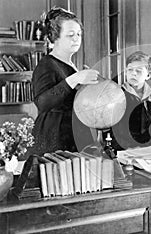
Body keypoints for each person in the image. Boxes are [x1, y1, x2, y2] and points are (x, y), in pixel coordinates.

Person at [31, 7, 100, 155]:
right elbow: (42, 103)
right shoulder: (46, 64)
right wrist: (74, 79)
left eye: (79, 34)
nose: (76, 38)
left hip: (73, 137)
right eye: (70, 35)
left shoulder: (72, 65)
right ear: (55, 37)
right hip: (54, 139)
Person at [109, 51, 151, 150]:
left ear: (148, 75)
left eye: (139, 71)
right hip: (122, 147)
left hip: (147, 147)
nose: (133, 74)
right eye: (130, 70)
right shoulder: (118, 93)